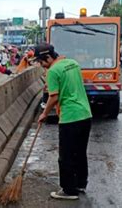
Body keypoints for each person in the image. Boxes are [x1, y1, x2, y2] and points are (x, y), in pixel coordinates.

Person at [35, 44, 92, 200]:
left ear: (48, 57)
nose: (41, 65)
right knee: (80, 152)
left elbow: (54, 96)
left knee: (65, 155)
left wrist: (44, 114)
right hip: (85, 114)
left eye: (41, 61)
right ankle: (80, 183)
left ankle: (68, 190)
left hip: (70, 116)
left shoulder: (52, 72)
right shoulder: (73, 63)